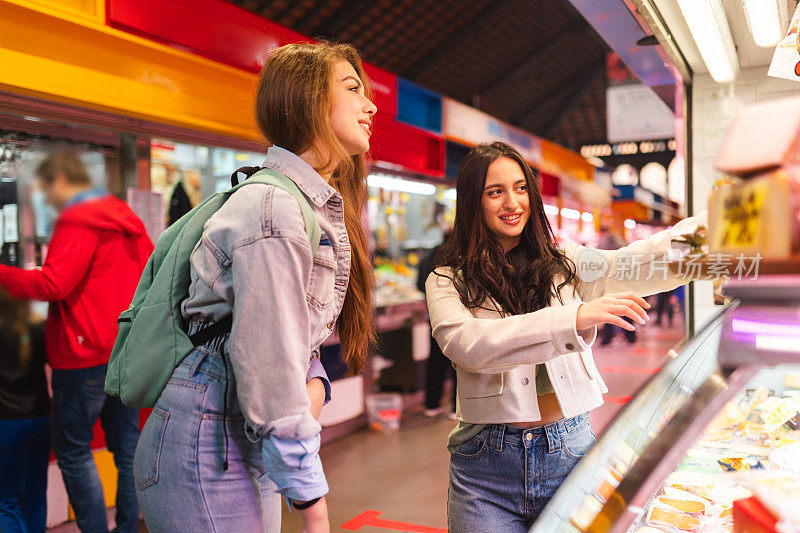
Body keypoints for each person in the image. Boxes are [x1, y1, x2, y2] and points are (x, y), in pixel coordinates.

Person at [133, 41, 377, 533]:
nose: (370, 106)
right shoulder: (275, 211)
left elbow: (286, 348)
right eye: (353, 89)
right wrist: (314, 507)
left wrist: (312, 379)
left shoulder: (296, 205)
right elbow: (268, 372)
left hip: (230, 435)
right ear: (308, 101)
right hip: (207, 443)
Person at [425, 142, 706, 532]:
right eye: (495, 191)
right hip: (484, 470)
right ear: (473, 201)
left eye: (521, 188)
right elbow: (469, 345)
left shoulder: (566, 263)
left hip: (570, 454)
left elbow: (636, 262)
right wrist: (573, 318)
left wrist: (718, 227)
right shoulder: (446, 280)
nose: (512, 202)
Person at [0, 152, 153, 533]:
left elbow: (53, 284)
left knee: (72, 452)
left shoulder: (76, 217)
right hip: (124, 353)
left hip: (81, 358)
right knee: (129, 450)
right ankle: (128, 528)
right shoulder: (127, 219)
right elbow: (149, 278)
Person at [0, 288, 50, 533]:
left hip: (6, 422)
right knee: (35, 495)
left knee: (5, 503)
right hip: (40, 419)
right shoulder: (37, 328)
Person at [416, 233, 457, 418]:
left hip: (434, 318)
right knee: (458, 363)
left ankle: (431, 405)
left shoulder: (428, 257)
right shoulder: (459, 256)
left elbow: (418, 285)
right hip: (457, 318)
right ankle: (456, 408)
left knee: (435, 361)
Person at [595, 226, 636, 345]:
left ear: (602, 232)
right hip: (624, 280)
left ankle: (607, 340)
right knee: (625, 309)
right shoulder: (620, 241)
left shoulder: (603, 243)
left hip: (610, 282)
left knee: (609, 310)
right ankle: (630, 337)